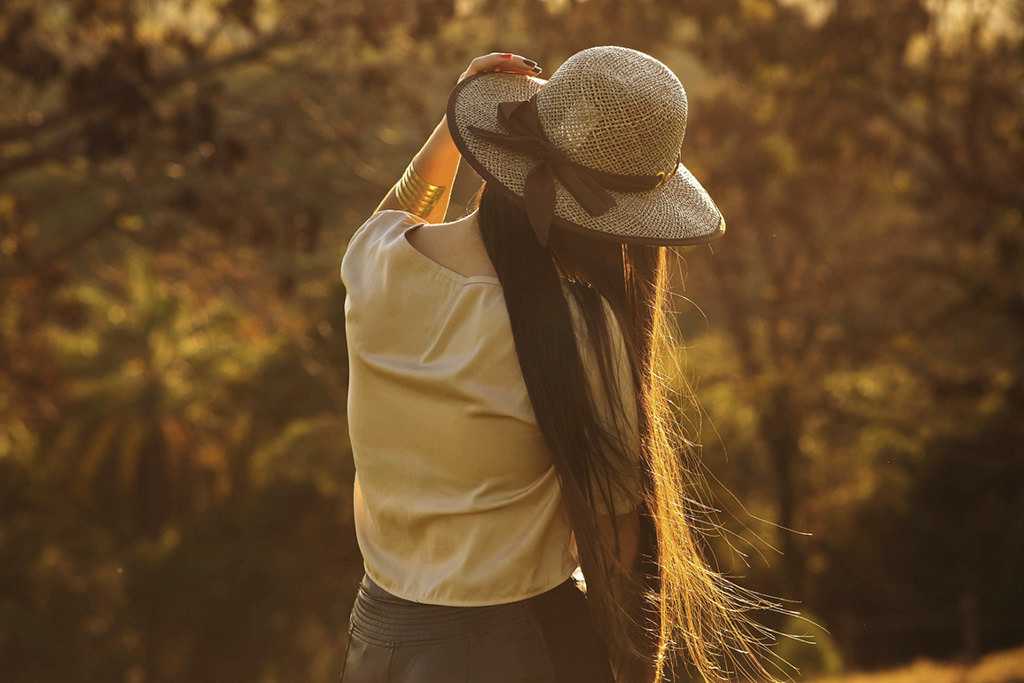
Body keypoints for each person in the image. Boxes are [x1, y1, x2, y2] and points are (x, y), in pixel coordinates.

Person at [339, 46, 772, 683]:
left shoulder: (377, 260)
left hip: (378, 640)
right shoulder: (582, 330)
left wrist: (452, 130)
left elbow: (403, 211)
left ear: (505, 154)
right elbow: (619, 546)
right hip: (521, 649)